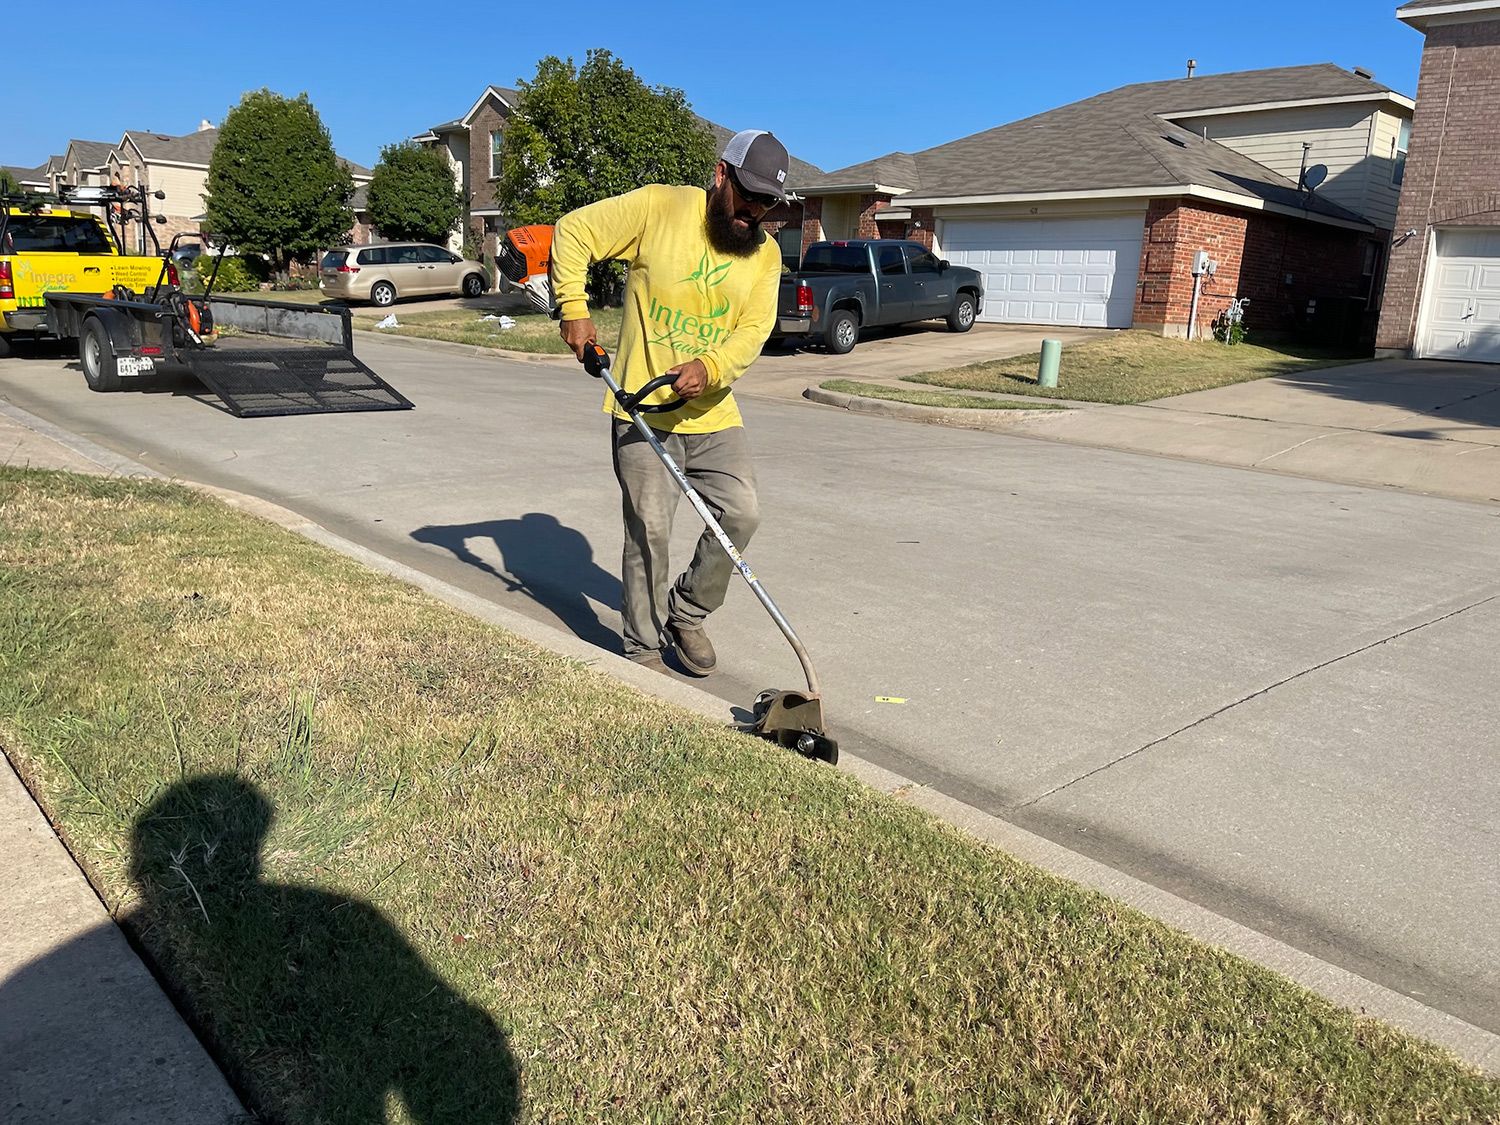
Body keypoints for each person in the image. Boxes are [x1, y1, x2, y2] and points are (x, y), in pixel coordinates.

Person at [553, 130, 789, 674]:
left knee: (742, 512)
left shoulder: (766, 254)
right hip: (641, 410)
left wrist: (709, 369)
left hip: (713, 412)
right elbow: (573, 231)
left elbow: (754, 331)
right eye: (748, 195)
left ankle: (687, 612)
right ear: (721, 175)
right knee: (649, 531)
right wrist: (574, 308)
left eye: (767, 204)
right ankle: (642, 653)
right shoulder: (659, 207)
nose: (754, 212)